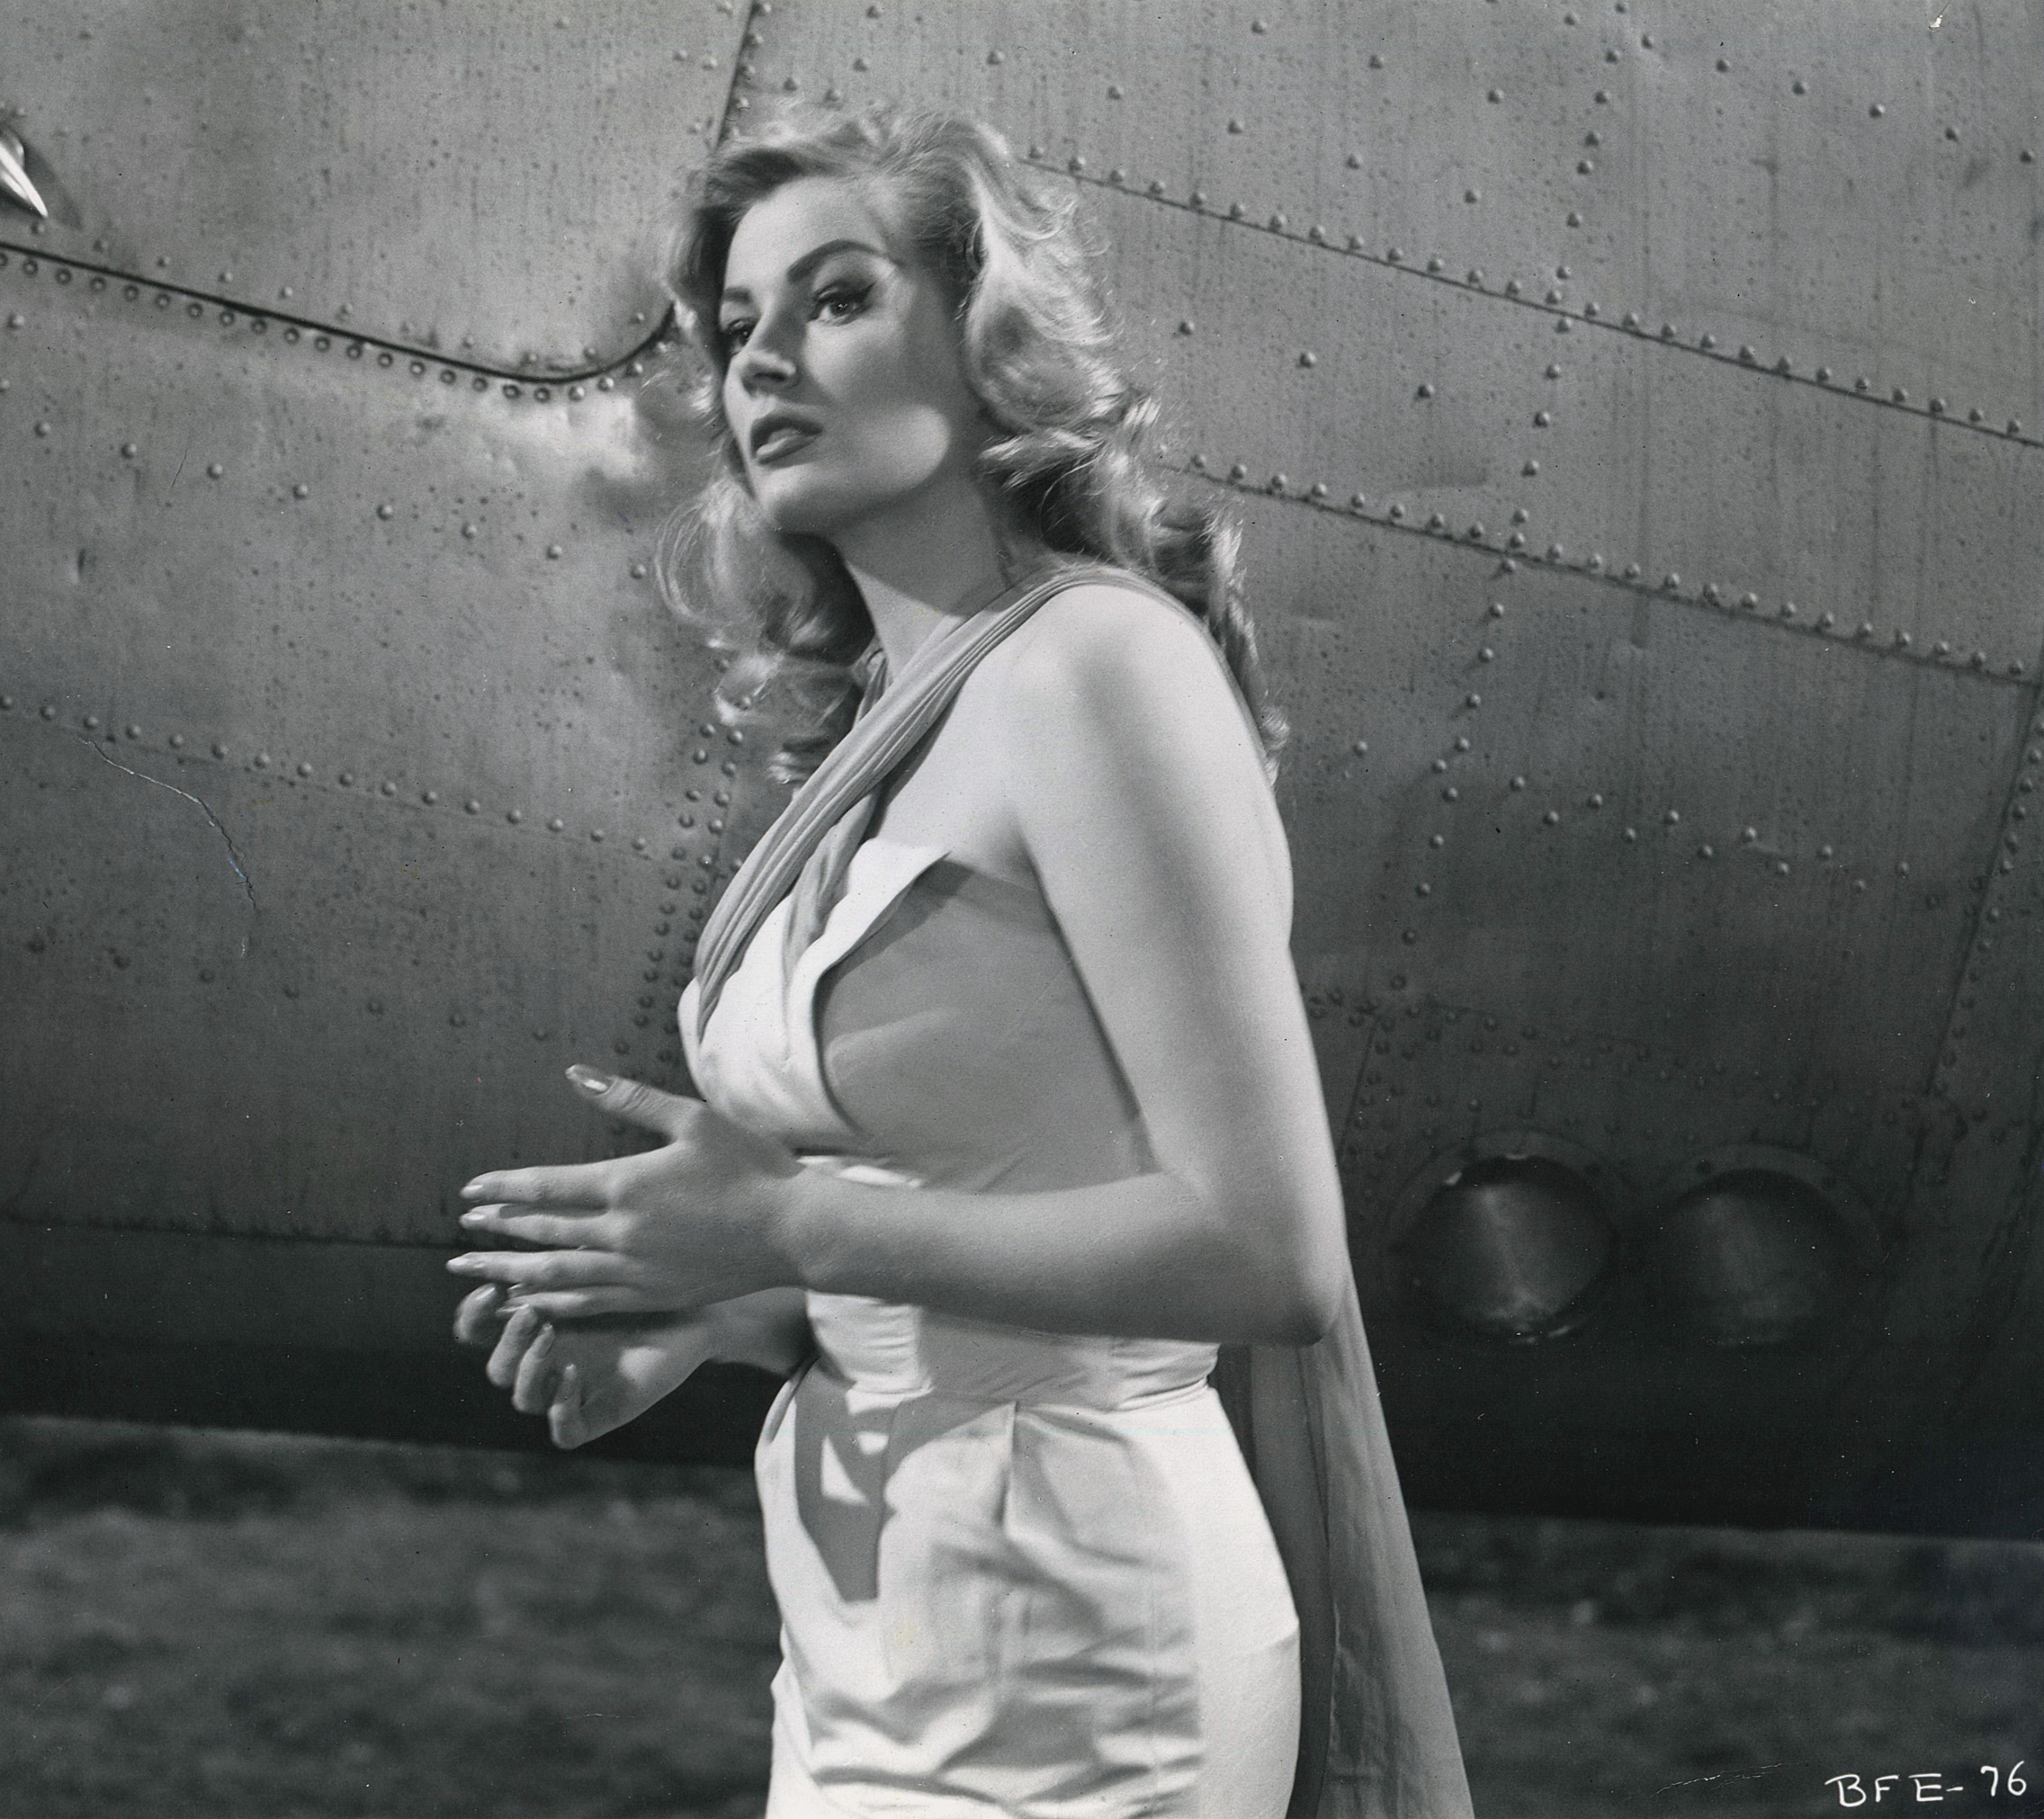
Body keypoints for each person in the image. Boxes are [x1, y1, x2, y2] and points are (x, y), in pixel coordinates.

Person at [450, 105, 1471, 1819]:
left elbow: (1267, 1249)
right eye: (737, 325)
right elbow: (980, 1203)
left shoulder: (1094, 669)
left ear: (989, 342)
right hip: (878, 1631)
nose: (761, 358)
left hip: (1086, 1645)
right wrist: (722, 1314)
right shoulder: (896, 719)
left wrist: (787, 1225)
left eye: (838, 297)